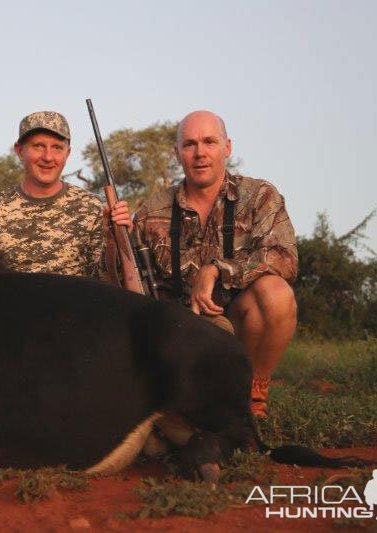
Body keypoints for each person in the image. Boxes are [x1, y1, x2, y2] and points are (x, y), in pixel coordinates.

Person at [120, 110, 298, 417]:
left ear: (227, 147)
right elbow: (131, 288)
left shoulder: (259, 195)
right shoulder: (151, 211)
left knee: (277, 294)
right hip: (182, 335)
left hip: (240, 324)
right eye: (189, 144)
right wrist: (115, 240)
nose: (200, 153)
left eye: (209, 142)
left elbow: (284, 257)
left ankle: (250, 397)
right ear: (178, 154)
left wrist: (217, 269)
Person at [0, 111, 108, 279]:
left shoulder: (92, 207)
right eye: (38, 146)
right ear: (20, 151)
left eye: (57, 147)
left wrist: (118, 242)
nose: (48, 157)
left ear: (67, 153)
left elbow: (106, 281)